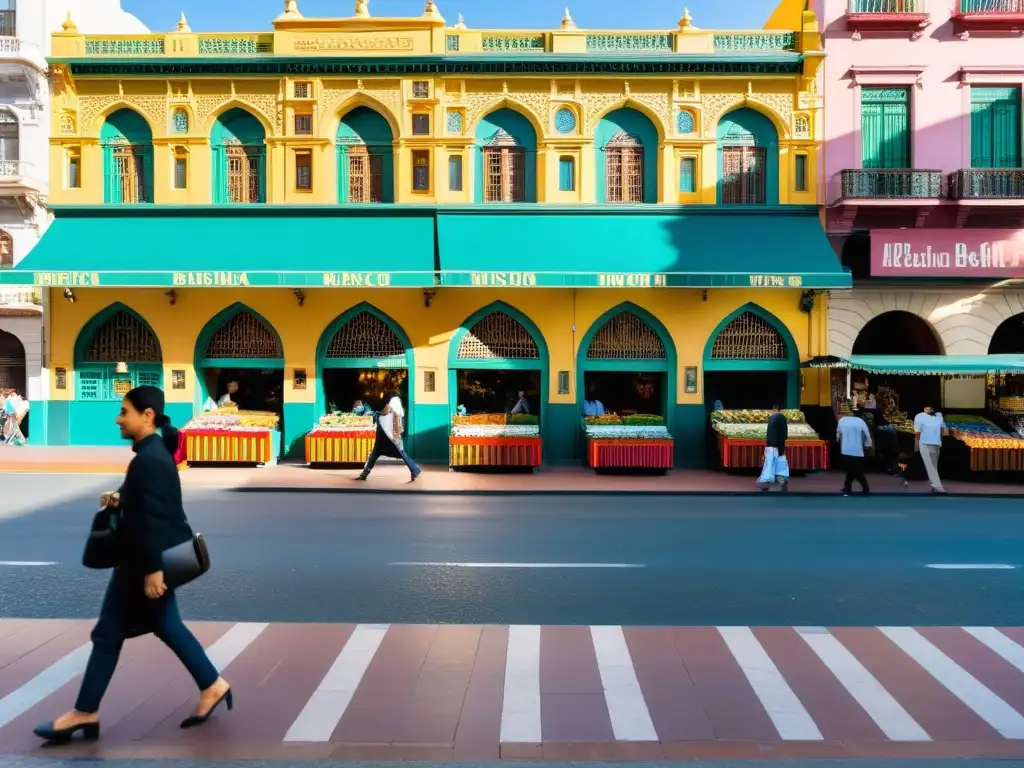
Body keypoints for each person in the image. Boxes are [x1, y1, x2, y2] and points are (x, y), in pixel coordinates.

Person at [33, 386, 232, 744]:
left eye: (124, 412)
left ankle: (85, 711)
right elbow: (148, 506)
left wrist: (154, 570)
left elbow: (155, 519)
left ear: (147, 415)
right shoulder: (152, 454)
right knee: (157, 627)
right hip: (139, 563)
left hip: (141, 566)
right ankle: (212, 685)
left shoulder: (150, 460)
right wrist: (122, 498)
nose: (117, 418)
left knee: (111, 634)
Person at [357, 390, 421, 482]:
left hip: (388, 438)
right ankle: (364, 474)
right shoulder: (385, 409)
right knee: (375, 455)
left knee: (400, 454)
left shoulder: (392, 408)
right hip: (383, 438)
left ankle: (415, 470)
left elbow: (393, 421)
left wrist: (396, 435)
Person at [836, 404, 872, 495]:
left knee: (853, 470)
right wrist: (868, 444)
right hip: (858, 450)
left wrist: (839, 441)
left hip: (845, 449)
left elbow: (838, 435)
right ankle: (849, 487)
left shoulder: (841, 421)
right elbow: (867, 434)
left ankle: (862, 487)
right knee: (854, 470)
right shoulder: (860, 421)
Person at [914, 405, 948, 493]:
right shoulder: (919, 416)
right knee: (930, 465)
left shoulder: (939, 416)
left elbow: (942, 429)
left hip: (936, 443)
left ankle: (934, 486)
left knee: (933, 465)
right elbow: (917, 432)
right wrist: (917, 445)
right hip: (924, 443)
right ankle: (937, 486)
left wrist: (940, 441)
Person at [758, 403, 789, 492]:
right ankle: (782, 481)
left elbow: (769, 433)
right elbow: (785, 434)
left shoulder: (772, 418)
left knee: (769, 465)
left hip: (772, 446)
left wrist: (767, 446)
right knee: (780, 464)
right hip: (781, 445)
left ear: (774, 408)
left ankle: (766, 485)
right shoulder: (783, 418)